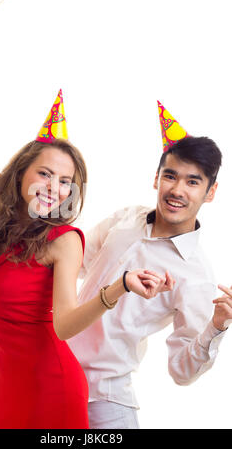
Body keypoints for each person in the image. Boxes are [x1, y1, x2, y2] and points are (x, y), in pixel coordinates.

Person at [0, 18, 174, 429]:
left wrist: (120, 286)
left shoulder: (62, 240)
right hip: (6, 395)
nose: (54, 187)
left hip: (52, 390)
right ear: (20, 174)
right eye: (45, 173)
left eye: (66, 180)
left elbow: (64, 324)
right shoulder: (1, 216)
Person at [68, 102, 232, 429]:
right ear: (156, 178)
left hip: (105, 399)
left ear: (211, 192)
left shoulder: (197, 276)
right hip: (53, 372)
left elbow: (181, 372)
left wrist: (217, 325)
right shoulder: (127, 217)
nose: (176, 190)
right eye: (170, 176)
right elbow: (72, 264)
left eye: (192, 182)